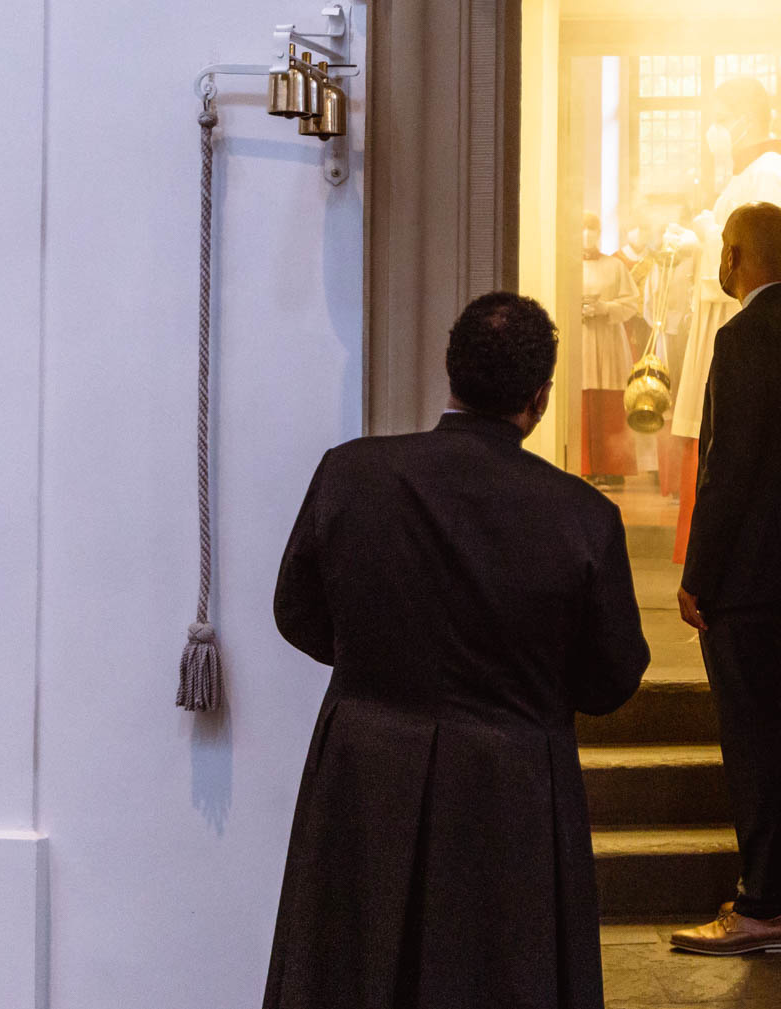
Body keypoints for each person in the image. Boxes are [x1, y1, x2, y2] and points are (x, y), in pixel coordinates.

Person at [262, 292, 650, 1009]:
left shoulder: (351, 474)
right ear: (539, 398)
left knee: (352, 975)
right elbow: (612, 677)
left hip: (365, 775)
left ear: (450, 373)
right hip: (511, 793)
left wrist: (376, 668)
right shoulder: (583, 516)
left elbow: (296, 610)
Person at [668, 202, 781, 956]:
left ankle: (762, 906)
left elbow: (726, 471)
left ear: (739, 253)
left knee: (754, 738)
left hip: (746, 574)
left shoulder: (740, 337)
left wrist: (697, 574)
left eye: (723, 247)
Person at [665, 78, 781, 559]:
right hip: (728, 324)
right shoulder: (747, 175)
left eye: (720, 119)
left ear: (745, 118)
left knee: (729, 448)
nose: (714, 130)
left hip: (746, 329)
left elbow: (760, 259)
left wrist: (704, 233)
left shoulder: (767, 176)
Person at [579, 213, 641, 488]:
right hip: (581, 339)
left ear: (599, 233)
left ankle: (613, 466)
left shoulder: (615, 266)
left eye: (592, 230)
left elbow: (632, 303)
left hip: (608, 338)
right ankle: (586, 466)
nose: (587, 235)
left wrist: (606, 309)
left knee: (608, 400)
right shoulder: (567, 266)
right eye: (583, 230)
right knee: (583, 399)